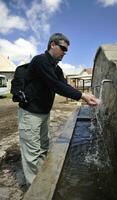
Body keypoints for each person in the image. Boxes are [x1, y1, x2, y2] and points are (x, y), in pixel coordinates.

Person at [18, 33, 99, 186]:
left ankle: (41, 181)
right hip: (30, 114)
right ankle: (36, 191)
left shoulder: (57, 69)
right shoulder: (40, 61)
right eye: (63, 48)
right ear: (52, 45)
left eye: (66, 50)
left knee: (42, 147)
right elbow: (56, 85)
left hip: (43, 113)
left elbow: (65, 85)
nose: (65, 52)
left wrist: (85, 95)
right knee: (32, 153)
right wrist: (82, 96)